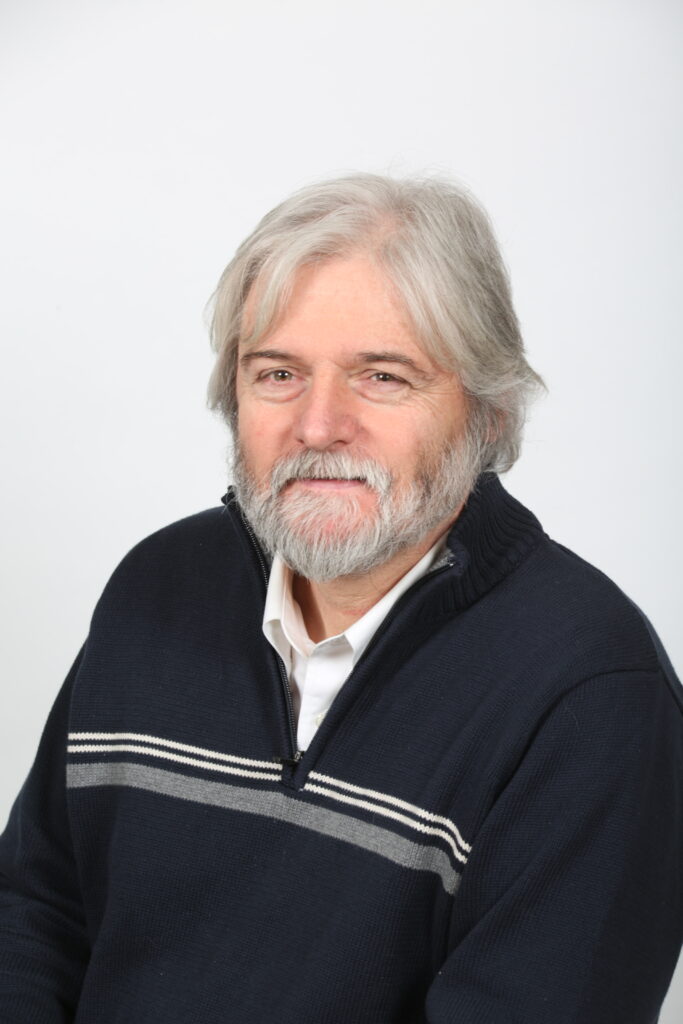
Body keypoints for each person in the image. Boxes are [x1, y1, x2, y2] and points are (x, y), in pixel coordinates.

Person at [0, 174, 681, 1023]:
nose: (318, 425)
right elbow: (32, 914)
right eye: (278, 372)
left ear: (489, 413)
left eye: (383, 377)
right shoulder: (157, 587)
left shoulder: (592, 693)